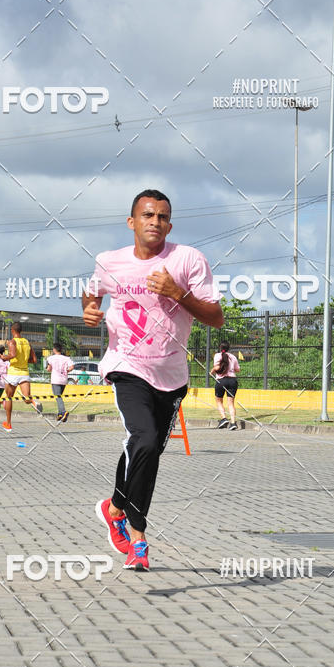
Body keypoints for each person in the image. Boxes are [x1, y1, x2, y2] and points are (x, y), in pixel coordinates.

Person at [83, 189, 223, 570]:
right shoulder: (109, 261)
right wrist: (90, 311)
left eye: (162, 217)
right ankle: (138, 537)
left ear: (169, 224)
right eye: (147, 215)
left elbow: (215, 317)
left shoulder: (188, 259)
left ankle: (112, 509)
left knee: (148, 454)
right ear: (132, 222)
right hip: (127, 366)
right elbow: (90, 293)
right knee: (141, 438)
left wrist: (178, 293)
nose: (154, 222)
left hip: (171, 374)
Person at [0, 321, 43, 432]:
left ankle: (8, 424)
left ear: (12, 331)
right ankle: (34, 402)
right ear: (21, 331)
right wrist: (23, 360)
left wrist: (5, 357)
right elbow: (34, 360)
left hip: (14, 373)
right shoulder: (27, 342)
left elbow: (13, 355)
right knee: (27, 398)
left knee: (8, 397)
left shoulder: (12, 342)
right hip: (24, 373)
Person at [210, 341, 240, 429]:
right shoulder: (233, 357)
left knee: (219, 400)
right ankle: (233, 423)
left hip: (221, 381)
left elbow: (217, 367)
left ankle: (223, 419)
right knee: (231, 403)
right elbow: (237, 369)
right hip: (232, 381)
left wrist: (211, 372)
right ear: (228, 348)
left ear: (220, 347)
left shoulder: (217, 355)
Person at [46, 342, 75, 422]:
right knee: (59, 397)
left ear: (54, 349)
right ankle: (59, 414)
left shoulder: (51, 358)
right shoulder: (66, 358)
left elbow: (49, 369)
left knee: (58, 397)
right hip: (63, 380)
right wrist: (67, 371)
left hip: (55, 380)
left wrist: (49, 369)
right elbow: (72, 367)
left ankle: (63, 412)